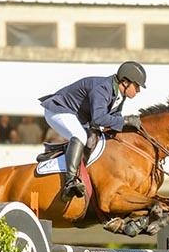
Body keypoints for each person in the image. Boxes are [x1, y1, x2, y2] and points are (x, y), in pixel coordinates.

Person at [39, 61, 146, 201]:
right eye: (136, 86)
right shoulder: (103, 89)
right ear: (125, 82)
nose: (138, 90)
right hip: (58, 109)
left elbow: (114, 119)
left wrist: (127, 127)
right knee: (80, 136)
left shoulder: (119, 95)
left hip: (76, 116)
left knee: (95, 138)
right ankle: (70, 182)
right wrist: (125, 121)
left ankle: (55, 152)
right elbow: (99, 119)